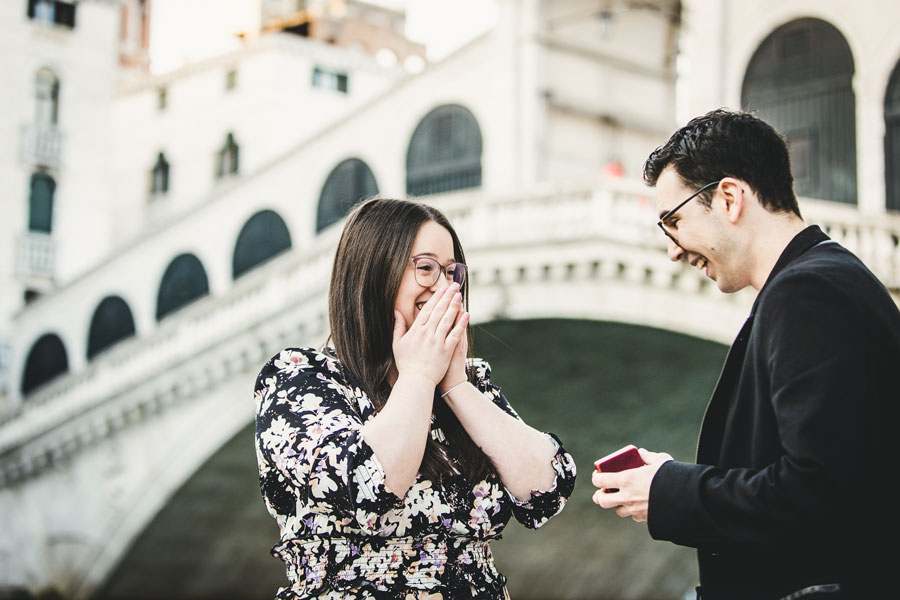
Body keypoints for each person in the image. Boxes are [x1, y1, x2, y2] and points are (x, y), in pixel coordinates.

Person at [592, 109, 900, 599]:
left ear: (729, 198)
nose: (672, 250)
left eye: (674, 222)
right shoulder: (823, 278)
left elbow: (820, 493)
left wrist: (669, 491)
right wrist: (673, 478)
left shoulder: (806, 293)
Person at [255, 197, 576, 599]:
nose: (443, 287)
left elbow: (548, 490)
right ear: (372, 275)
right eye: (425, 268)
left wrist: (456, 386)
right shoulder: (299, 379)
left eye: (451, 272)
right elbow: (369, 486)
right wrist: (420, 375)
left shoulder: (467, 383)